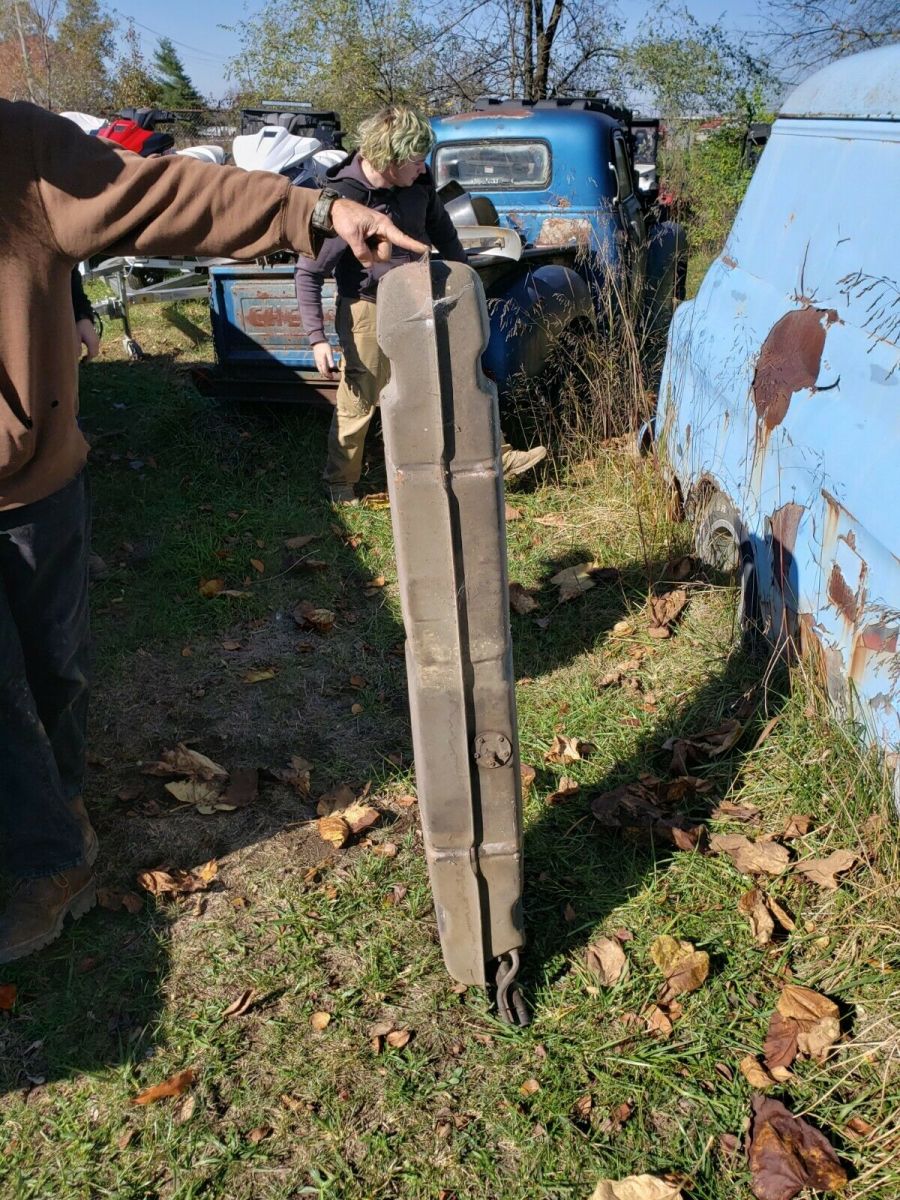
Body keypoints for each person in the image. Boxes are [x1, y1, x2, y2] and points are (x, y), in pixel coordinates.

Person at [0, 98, 427, 963]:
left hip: (33, 485)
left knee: (53, 669)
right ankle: (50, 859)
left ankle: (62, 806)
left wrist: (308, 210)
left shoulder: (17, 146)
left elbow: (156, 193)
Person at [295, 105, 547, 504]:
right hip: (367, 307)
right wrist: (316, 338)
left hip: (422, 298)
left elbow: (444, 233)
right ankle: (339, 484)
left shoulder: (419, 181)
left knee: (456, 376)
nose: (423, 167)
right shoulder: (345, 197)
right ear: (390, 160)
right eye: (414, 160)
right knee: (361, 395)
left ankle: (496, 456)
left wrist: (465, 284)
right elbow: (308, 272)